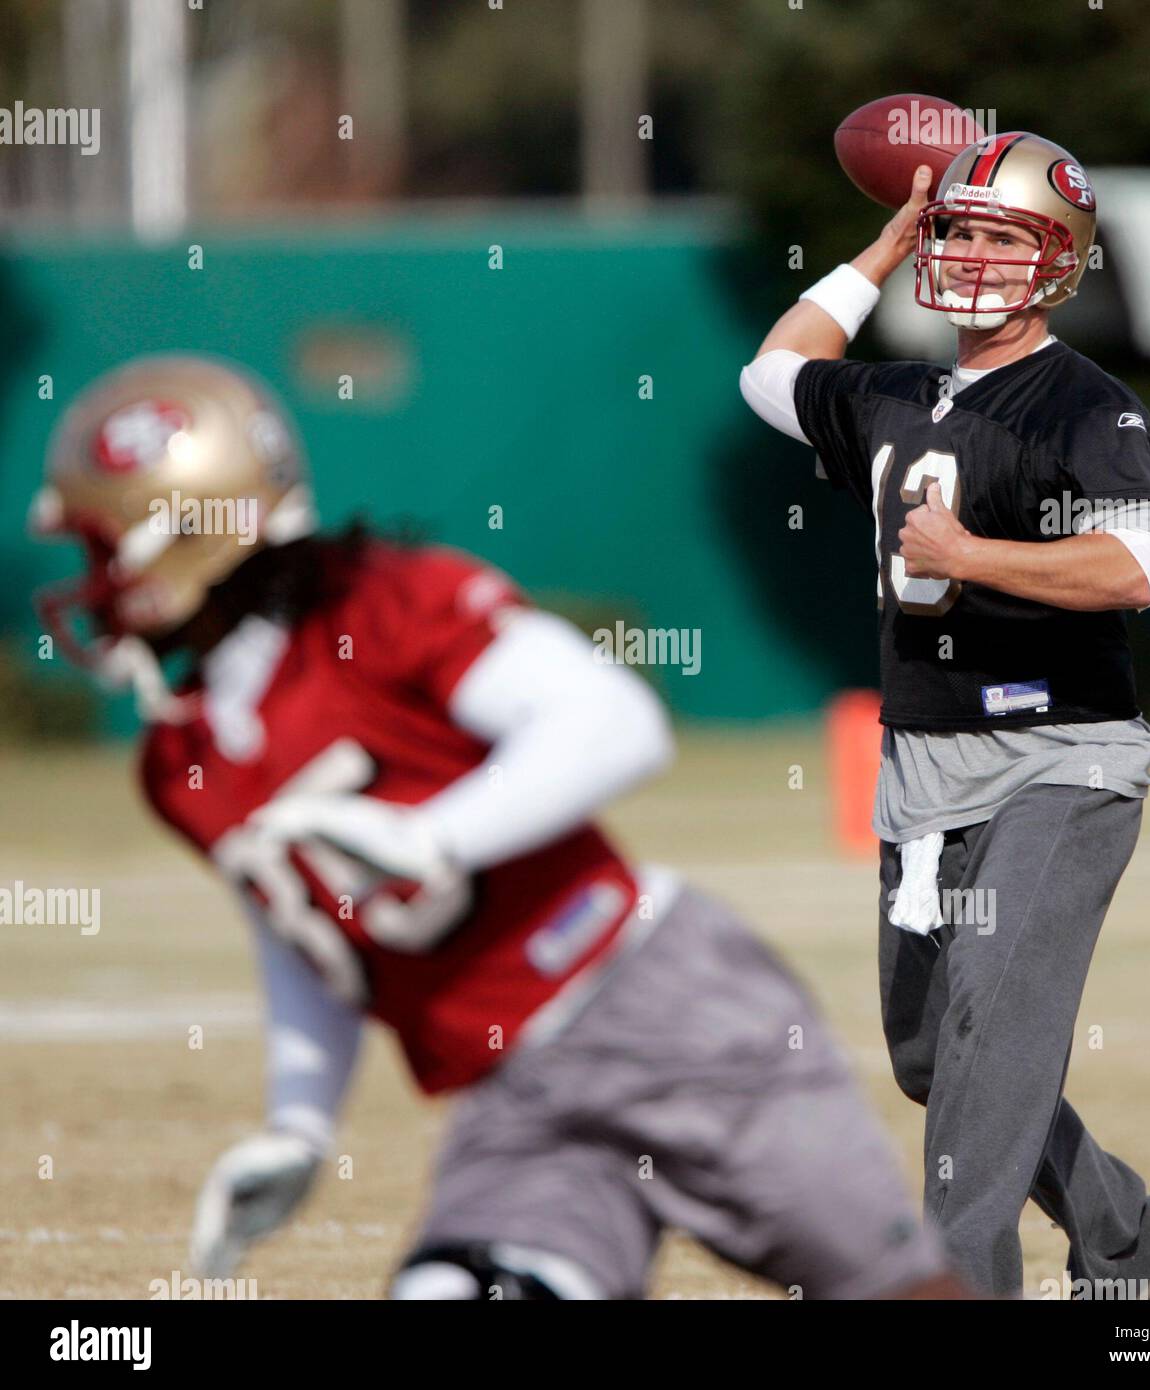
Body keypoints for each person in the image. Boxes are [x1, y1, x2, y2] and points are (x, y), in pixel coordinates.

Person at [30, 352, 964, 1301]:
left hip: (657, 1008)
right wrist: (300, 1123)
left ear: (185, 535)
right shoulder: (177, 760)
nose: (92, 581)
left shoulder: (381, 606)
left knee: (893, 1293)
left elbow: (617, 723)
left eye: (103, 548)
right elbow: (302, 928)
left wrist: (435, 834)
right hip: (514, 1093)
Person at [739, 132, 1150, 1299]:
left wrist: (971, 554)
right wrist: (881, 243)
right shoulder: (896, 391)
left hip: (1059, 753)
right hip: (919, 764)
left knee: (989, 1042)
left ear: (1058, 262)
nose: (971, 256)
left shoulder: (1085, 405)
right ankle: (1126, 1233)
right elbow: (771, 374)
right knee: (929, 1056)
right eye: (957, 230)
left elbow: (1136, 566)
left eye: (1002, 236)